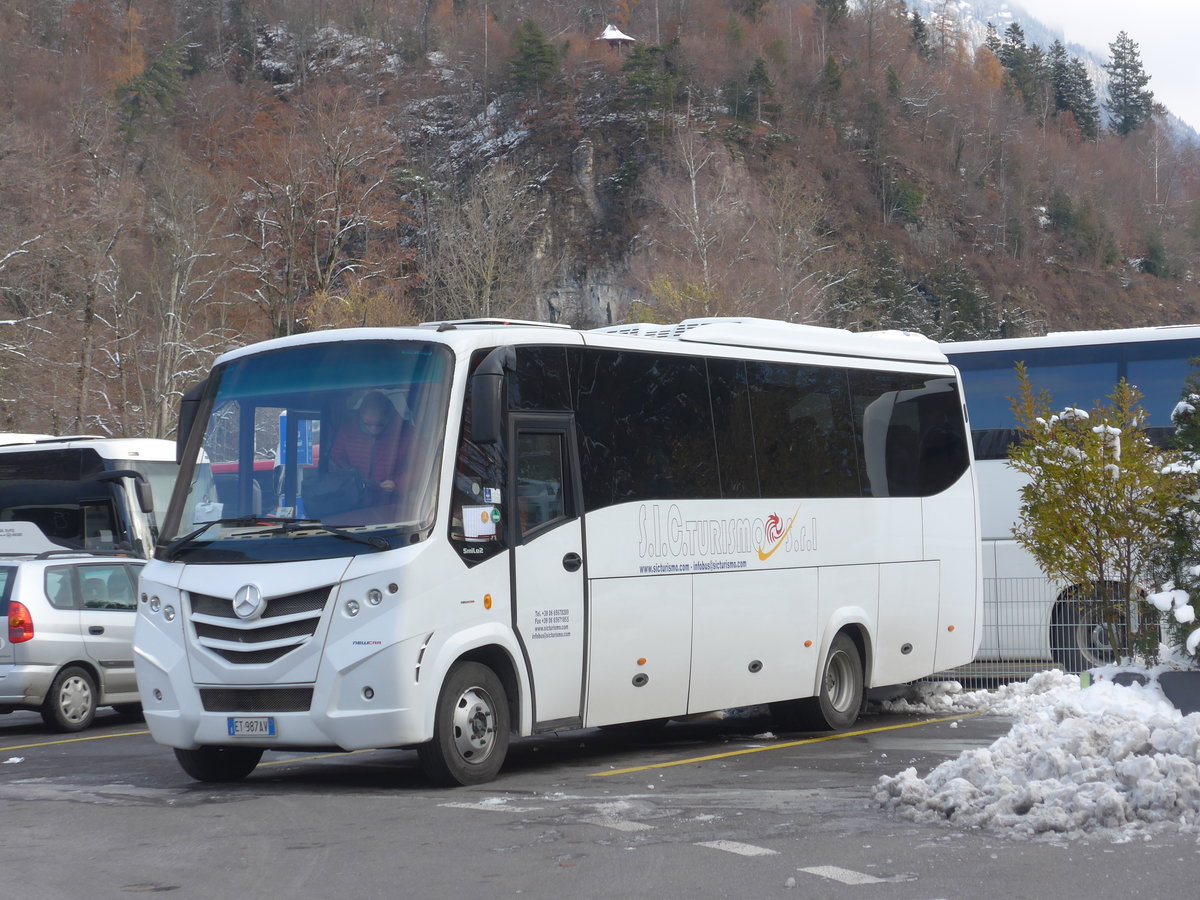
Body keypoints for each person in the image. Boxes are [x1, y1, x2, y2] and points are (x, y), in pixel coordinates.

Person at [329, 391, 409, 505]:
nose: (373, 429)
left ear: (389, 417)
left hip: (393, 503)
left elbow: (421, 467)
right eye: (367, 424)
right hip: (354, 499)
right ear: (360, 415)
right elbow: (335, 459)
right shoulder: (347, 431)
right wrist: (351, 478)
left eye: (379, 424)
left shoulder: (405, 433)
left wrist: (397, 483)